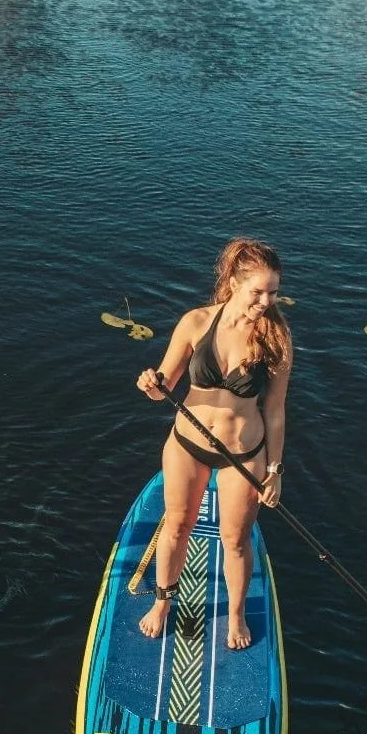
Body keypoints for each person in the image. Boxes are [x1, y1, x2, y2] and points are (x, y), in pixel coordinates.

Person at [135, 237, 292, 649]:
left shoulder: (277, 338)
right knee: (176, 527)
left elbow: (274, 411)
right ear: (234, 282)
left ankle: (236, 616)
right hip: (188, 442)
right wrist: (151, 384)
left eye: (274, 291)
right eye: (258, 291)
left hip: (244, 454)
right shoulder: (196, 322)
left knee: (236, 540)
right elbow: (164, 385)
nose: (266, 300)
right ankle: (163, 604)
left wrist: (274, 471)